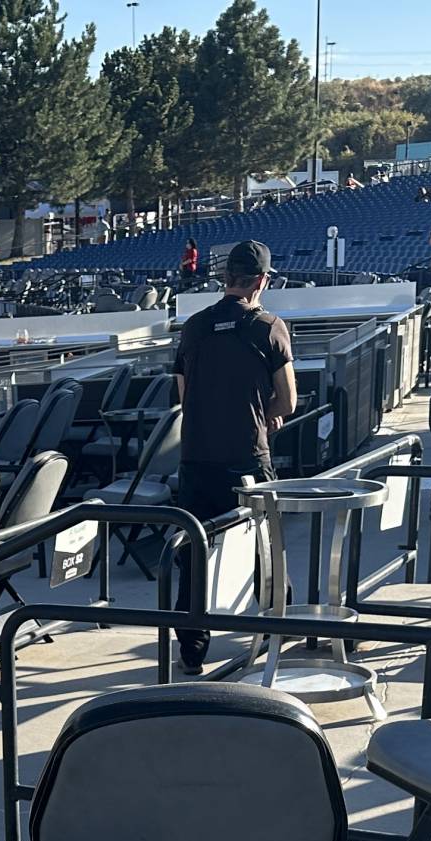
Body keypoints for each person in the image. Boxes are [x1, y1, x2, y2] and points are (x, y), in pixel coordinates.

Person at [172, 238, 293, 675]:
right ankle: (281, 624)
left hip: (197, 458)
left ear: (225, 279)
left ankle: (191, 651)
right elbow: (288, 401)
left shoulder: (195, 326)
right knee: (264, 547)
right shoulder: (270, 326)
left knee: (195, 554)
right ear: (261, 280)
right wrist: (264, 416)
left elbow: (185, 397)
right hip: (247, 458)